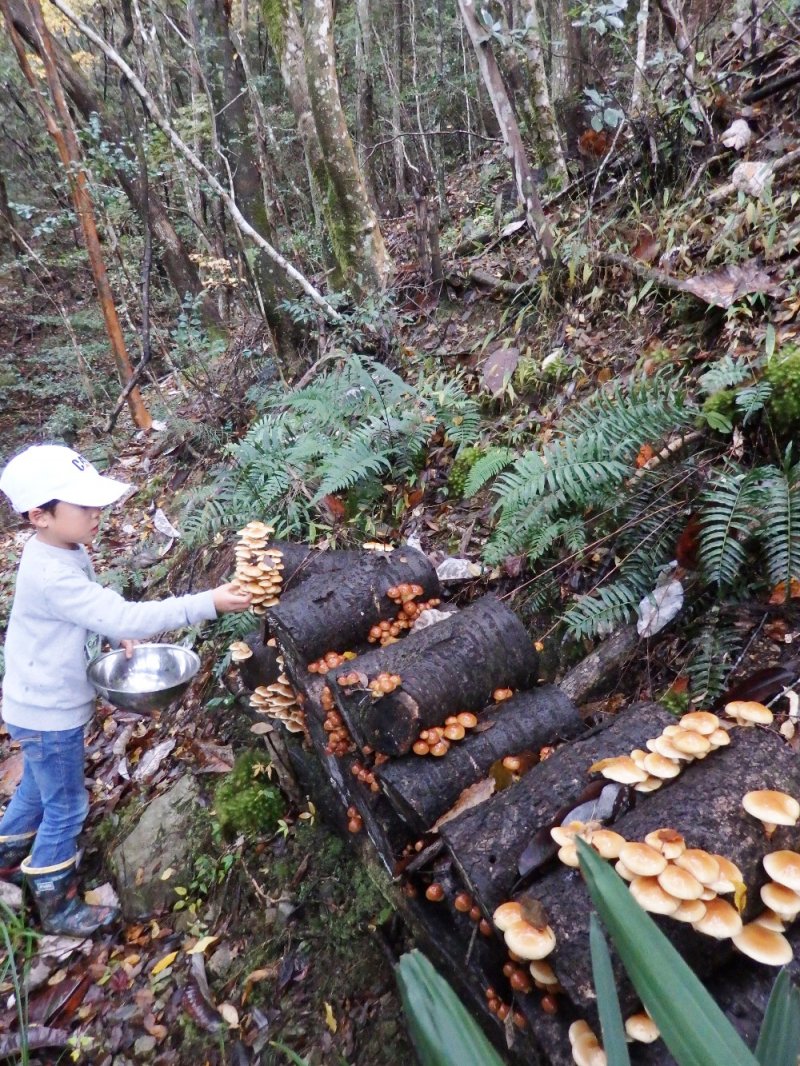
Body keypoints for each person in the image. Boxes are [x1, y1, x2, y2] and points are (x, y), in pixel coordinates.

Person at [0, 444, 252, 935]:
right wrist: (209, 602)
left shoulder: (59, 549)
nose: (97, 514)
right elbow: (114, 610)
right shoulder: (52, 572)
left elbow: (98, 608)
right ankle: (54, 898)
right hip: (47, 713)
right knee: (67, 805)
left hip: (36, 705)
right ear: (40, 516)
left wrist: (113, 628)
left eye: (97, 503)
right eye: (83, 507)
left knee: (37, 785)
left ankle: (7, 854)